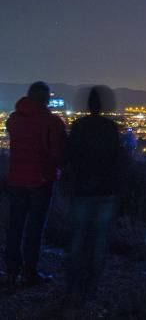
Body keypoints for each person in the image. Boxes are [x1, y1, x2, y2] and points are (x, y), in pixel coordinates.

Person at [5, 81, 67, 287]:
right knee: (34, 228)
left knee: (15, 225)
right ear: (46, 98)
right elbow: (59, 154)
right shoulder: (52, 122)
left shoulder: (13, 120)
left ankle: (11, 271)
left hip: (15, 179)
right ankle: (29, 273)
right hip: (40, 180)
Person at [65, 86, 125, 300]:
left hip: (81, 190)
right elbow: (118, 160)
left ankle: (71, 285)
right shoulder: (110, 128)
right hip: (106, 191)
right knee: (100, 238)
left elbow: (69, 157)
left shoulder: (78, 126)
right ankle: (92, 287)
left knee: (78, 236)